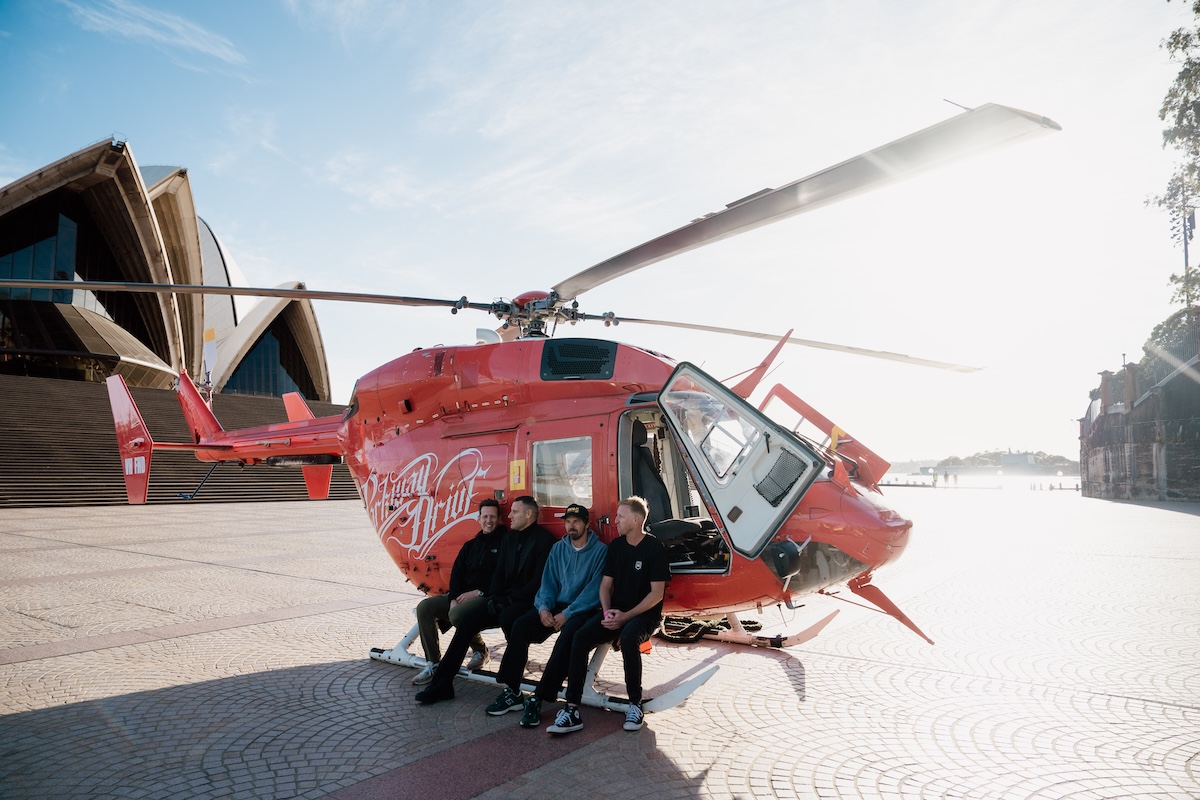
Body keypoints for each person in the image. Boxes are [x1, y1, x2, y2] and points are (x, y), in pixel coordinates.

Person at [543, 496, 669, 734]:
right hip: (615, 612)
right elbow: (604, 586)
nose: (616, 520)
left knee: (631, 638)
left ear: (636, 518)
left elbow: (656, 594)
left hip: (643, 616)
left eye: (621, 516)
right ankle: (571, 709)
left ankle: (635, 705)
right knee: (579, 637)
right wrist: (609, 611)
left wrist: (625, 616)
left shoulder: (655, 549)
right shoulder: (616, 547)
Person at [415, 495, 555, 705]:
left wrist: (505, 599)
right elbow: (499, 574)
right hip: (500, 600)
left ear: (528, 514)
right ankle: (442, 684)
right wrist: (495, 597)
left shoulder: (545, 541)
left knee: (509, 617)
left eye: (514, 512)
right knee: (466, 624)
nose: (510, 516)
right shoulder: (509, 538)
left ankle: (511, 686)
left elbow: (537, 582)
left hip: (524, 602)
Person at [484, 503, 607, 721]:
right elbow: (547, 583)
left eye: (576, 521)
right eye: (568, 522)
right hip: (555, 605)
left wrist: (567, 614)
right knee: (521, 625)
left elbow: (593, 592)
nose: (571, 526)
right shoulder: (559, 548)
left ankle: (540, 696)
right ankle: (513, 691)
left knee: (567, 638)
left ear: (587, 524)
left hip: (581, 609)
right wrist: (543, 608)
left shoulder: (600, 552)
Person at [410, 498, 505, 685]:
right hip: (461, 597)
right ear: (478, 519)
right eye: (485, 516)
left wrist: (477, 593)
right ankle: (433, 663)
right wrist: (453, 598)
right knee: (425, 607)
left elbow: (503, 577)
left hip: (486, 598)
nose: (489, 520)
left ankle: (479, 649)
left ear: (499, 519)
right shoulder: (471, 545)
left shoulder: (505, 543)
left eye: (492, 516)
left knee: (457, 614)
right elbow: (457, 574)